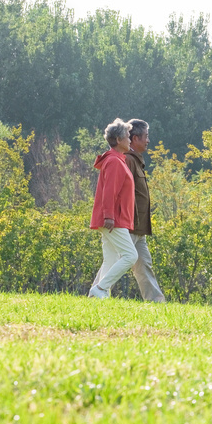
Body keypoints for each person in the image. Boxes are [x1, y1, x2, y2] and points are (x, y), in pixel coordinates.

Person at [88, 119, 138, 298]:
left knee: (110, 258)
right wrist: (109, 216)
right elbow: (109, 192)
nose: (130, 140)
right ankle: (100, 289)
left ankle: (97, 296)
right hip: (113, 219)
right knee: (130, 256)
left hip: (112, 218)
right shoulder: (115, 162)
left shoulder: (116, 160)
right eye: (127, 137)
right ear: (118, 140)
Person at [123, 119, 166, 302]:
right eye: (146, 136)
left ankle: (156, 301)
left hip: (139, 227)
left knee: (144, 264)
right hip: (129, 225)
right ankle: (97, 291)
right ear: (134, 138)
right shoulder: (128, 160)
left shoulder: (136, 160)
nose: (148, 141)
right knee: (117, 262)